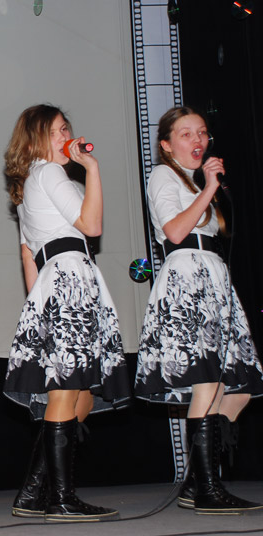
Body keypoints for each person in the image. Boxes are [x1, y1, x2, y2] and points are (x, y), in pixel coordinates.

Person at [3, 104, 130, 521]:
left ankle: (33, 492)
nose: (66, 136)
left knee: (82, 395)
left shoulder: (32, 184)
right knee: (65, 390)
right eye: (57, 130)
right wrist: (92, 168)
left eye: (66, 128)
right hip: (69, 277)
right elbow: (92, 227)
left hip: (57, 282)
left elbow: (27, 254)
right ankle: (61, 497)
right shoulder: (50, 173)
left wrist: (38, 303)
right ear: (37, 139)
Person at [135, 106, 263, 514]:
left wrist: (205, 187)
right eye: (186, 133)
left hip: (213, 276)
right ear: (166, 145)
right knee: (207, 382)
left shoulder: (193, 182)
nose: (198, 140)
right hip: (187, 276)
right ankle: (207, 487)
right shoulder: (163, 176)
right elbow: (174, 231)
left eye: (202, 132)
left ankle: (196, 481)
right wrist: (209, 187)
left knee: (238, 387)